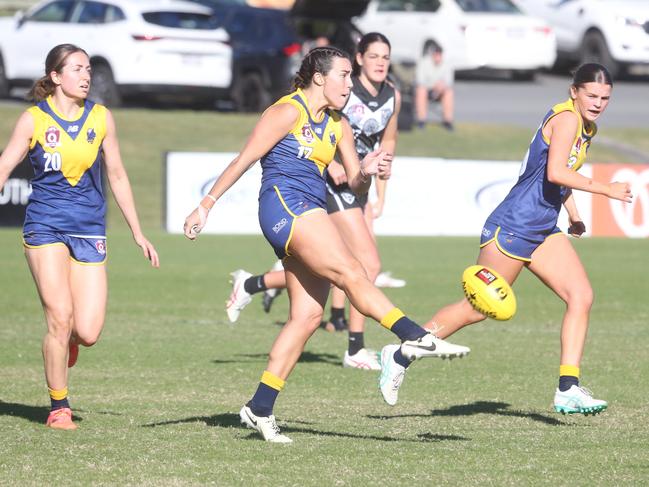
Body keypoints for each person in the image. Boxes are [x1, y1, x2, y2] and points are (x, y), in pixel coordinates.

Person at [184, 46, 470, 442]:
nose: (349, 84)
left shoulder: (338, 124)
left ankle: (259, 407)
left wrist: (368, 170)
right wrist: (205, 206)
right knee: (351, 270)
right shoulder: (286, 111)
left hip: (312, 208)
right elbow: (243, 160)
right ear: (318, 77)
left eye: (351, 76)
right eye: (344, 75)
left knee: (306, 318)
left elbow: (354, 182)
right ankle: (411, 335)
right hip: (284, 207)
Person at [382, 63, 632, 413]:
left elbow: (562, 177)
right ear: (573, 91)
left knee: (581, 295)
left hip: (543, 227)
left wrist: (573, 215)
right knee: (475, 309)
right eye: (591, 95)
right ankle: (400, 354)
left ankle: (568, 387)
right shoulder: (567, 120)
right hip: (513, 225)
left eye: (605, 98)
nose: (598, 102)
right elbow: (556, 170)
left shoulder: (586, 126)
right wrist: (606, 190)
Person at [225, 33, 407, 371]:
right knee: (359, 265)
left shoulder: (386, 98)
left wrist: (375, 181)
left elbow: (382, 148)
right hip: (309, 196)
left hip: (344, 192)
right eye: (373, 57)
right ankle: (373, 343)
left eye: (386, 56)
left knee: (314, 304)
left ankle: (254, 286)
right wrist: (206, 204)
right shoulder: (312, 104)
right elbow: (252, 157)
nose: (380, 63)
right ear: (359, 58)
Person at [0, 44, 159, 430]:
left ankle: (69, 340)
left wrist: (138, 232)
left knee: (87, 331)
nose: (86, 76)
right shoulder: (34, 120)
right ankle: (59, 407)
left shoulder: (101, 118)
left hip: (89, 230)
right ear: (56, 76)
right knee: (59, 316)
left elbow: (117, 175)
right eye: (76, 69)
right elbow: (5, 164)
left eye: (88, 68)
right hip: (45, 227)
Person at [414, 39, 455, 131]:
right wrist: (434, 86)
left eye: (439, 54)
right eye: (436, 54)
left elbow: (449, 82)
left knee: (449, 92)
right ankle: (421, 121)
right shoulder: (424, 62)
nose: (438, 56)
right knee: (421, 90)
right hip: (427, 90)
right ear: (432, 54)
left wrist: (440, 87)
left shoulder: (446, 64)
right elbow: (420, 80)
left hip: (440, 91)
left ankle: (448, 121)